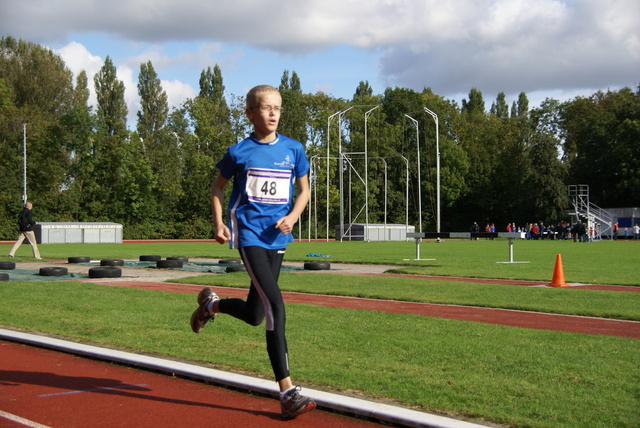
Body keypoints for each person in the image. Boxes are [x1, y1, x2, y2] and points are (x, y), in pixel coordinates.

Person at [189, 85, 315, 420]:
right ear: (250, 113)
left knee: (256, 314)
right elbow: (217, 187)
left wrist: (292, 216)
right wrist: (219, 223)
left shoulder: (293, 149)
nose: (273, 114)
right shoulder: (239, 152)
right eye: (265, 108)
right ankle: (287, 392)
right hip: (249, 237)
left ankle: (210, 305)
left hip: (278, 239)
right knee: (276, 307)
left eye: (278, 108)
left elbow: (304, 191)